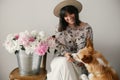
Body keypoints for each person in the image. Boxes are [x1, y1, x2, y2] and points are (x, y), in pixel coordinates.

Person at [47, 0, 93, 80]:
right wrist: (66, 54)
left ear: (76, 12)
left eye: (71, 13)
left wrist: (75, 58)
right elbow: (58, 45)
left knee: (65, 64)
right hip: (60, 58)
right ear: (62, 17)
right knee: (64, 62)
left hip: (79, 63)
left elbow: (89, 49)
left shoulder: (87, 28)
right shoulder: (59, 28)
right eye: (66, 16)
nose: (69, 17)